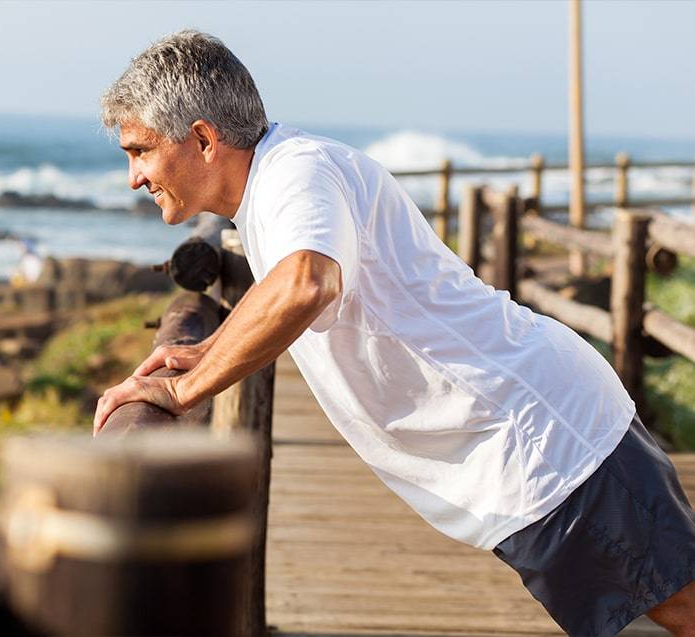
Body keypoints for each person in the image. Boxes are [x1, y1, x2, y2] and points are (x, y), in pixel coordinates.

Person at [94, 30, 695, 637]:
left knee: (681, 607)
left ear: (202, 138)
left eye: (140, 151)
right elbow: (295, 282)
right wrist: (211, 348)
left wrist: (183, 390)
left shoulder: (294, 175)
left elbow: (307, 282)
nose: (134, 177)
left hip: (542, 443)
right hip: (522, 449)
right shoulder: (279, 180)